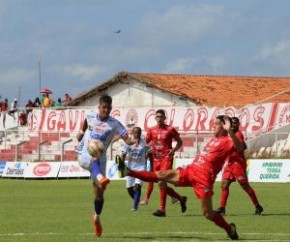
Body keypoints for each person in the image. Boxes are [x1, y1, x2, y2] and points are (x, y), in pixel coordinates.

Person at [116, 115, 241, 240]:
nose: (213, 125)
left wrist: (230, 131)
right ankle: (128, 172)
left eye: (217, 123)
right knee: (162, 176)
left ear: (225, 126)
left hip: (204, 179)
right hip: (191, 170)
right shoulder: (214, 139)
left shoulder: (228, 140)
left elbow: (241, 148)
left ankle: (229, 229)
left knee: (207, 213)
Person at [75, 94, 133, 237]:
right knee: (95, 155)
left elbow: (127, 138)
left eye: (108, 108)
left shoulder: (115, 124)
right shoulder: (90, 116)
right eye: (103, 107)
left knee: (99, 194)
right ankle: (101, 177)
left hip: (100, 158)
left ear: (111, 108)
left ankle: (96, 216)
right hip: (85, 153)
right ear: (99, 107)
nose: (106, 110)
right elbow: (85, 122)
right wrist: (81, 133)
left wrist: (132, 141)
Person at [214, 117, 264, 216]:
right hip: (230, 162)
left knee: (244, 186)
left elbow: (240, 146)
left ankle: (258, 206)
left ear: (238, 125)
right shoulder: (228, 134)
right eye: (232, 123)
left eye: (235, 123)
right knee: (224, 184)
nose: (233, 125)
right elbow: (243, 146)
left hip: (238, 163)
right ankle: (222, 208)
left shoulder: (238, 134)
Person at [143, 109, 187, 217]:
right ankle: (180, 199)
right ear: (155, 118)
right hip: (155, 159)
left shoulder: (170, 129)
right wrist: (147, 149)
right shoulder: (151, 130)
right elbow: (146, 143)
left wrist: (174, 149)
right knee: (160, 183)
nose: (159, 118)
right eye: (157, 117)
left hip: (166, 158)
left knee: (162, 182)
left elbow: (180, 142)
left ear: (164, 118)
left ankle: (162, 210)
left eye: (161, 117)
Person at [119, 126, 153, 211]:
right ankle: (136, 200)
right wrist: (121, 166)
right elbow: (123, 154)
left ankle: (134, 206)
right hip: (130, 168)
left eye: (138, 132)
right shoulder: (128, 143)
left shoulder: (144, 143)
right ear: (132, 133)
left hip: (141, 167)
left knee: (137, 187)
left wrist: (152, 166)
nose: (136, 134)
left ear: (141, 133)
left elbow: (150, 154)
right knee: (129, 188)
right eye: (135, 132)